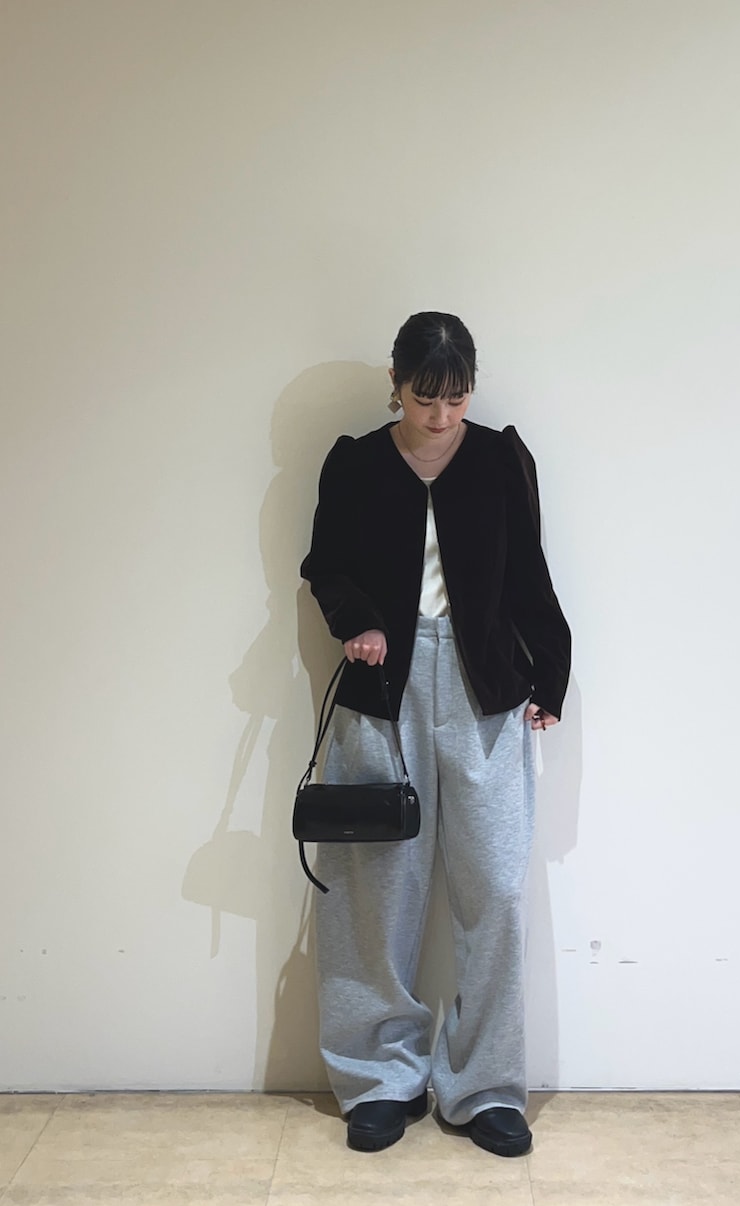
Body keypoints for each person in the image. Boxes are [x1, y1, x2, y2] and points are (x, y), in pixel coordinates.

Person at [300, 312, 571, 1156]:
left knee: (496, 889)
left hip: (486, 684)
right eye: (426, 399)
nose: (442, 416)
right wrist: (357, 619)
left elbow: (528, 571)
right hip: (384, 689)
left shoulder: (500, 459)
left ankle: (485, 1086)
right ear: (397, 384)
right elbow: (324, 565)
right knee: (378, 891)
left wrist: (551, 674)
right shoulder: (354, 463)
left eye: (456, 399)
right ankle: (380, 1076)